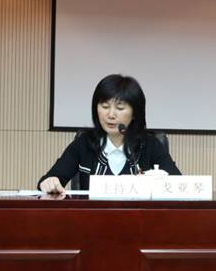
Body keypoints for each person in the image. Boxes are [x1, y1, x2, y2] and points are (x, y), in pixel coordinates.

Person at [38, 74, 180, 193]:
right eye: (105, 106)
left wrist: (154, 183)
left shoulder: (150, 145)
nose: (111, 115)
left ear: (135, 113)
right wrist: (50, 182)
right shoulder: (84, 143)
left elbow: (179, 186)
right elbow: (49, 180)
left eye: (120, 108)